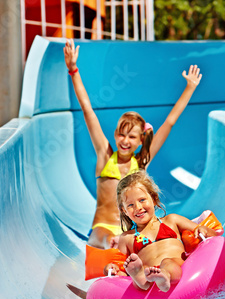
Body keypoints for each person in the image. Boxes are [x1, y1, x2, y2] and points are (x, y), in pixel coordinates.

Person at [63, 39, 203, 249]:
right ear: (115, 135)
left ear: (140, 141)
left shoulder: (141, 163)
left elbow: (170, 122)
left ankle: (195, 233)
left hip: (131, 231)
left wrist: (190, 88)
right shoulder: (105, 154)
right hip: (104, 227)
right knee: (100, 239)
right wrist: (73, 70)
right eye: (122, 135)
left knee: (157, 236)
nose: (125, 141)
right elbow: (87, 110)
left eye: (131, 137)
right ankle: (111, 247)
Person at [110, 171, 218, 292]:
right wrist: (114, 269)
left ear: (154, 199)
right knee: (141, 268)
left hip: (174, 265)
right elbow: (121, 270)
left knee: (168, 262)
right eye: (130, 205)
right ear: (124, 210)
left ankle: (165, 276)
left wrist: (202, 229)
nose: (138, 208)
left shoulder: (172, 220)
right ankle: (141, 278)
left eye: (142, 200)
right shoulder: (126, 238)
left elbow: (212, 237)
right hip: (148, 273)